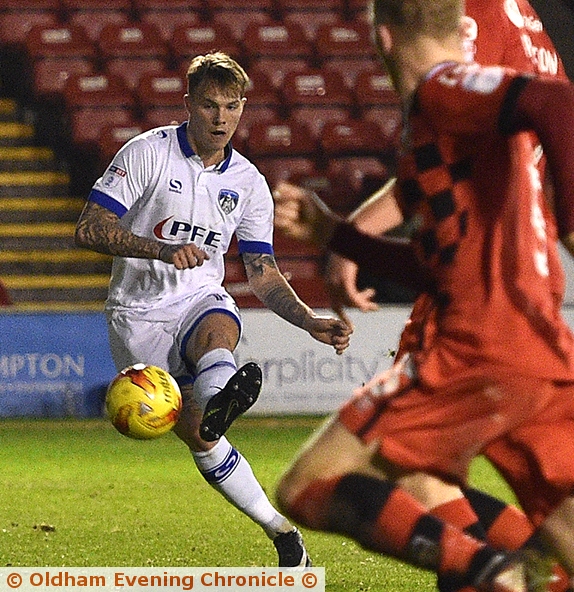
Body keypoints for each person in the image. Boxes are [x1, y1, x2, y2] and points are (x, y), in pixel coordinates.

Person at [274, 0, 574, 589]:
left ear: (383, 39)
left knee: (309, 486)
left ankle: (495, 575)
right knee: (560, 527)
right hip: (537, 343)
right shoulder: (448, 136)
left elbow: (555, 101)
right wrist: (337, 233)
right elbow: (440, 267)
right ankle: (526, 577)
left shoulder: (443, 89)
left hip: (474, 345)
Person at [74, 51, 352, 568]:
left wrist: (310, 320)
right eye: (209, 106)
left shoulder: (248, 183)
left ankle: (221, 394)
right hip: (137, 317)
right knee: (203, 437)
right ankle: (280, 527)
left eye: (231, 106)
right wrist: (158, 249)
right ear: (188, 105)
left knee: (218, 323)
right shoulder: (146, 154)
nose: (220, 118)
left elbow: (261, 274)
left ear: (243, 108)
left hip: (199, 298)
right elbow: (88, 228)